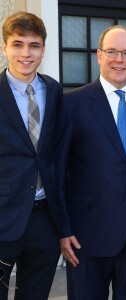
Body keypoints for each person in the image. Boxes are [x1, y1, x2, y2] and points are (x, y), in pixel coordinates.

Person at [56, 25, 126, 299]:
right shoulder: (71, 104)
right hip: (86, 237)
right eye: (112, 52)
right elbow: (57, 171)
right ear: (99, 56)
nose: (120, 60)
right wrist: (63, 229)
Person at [0, 11, 65, 299]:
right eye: (17, 44)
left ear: (43, 50)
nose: (26, 53)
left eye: (34, 45)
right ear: (5, 47)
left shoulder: (54, 90)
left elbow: (57, 152)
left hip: (44, 219)